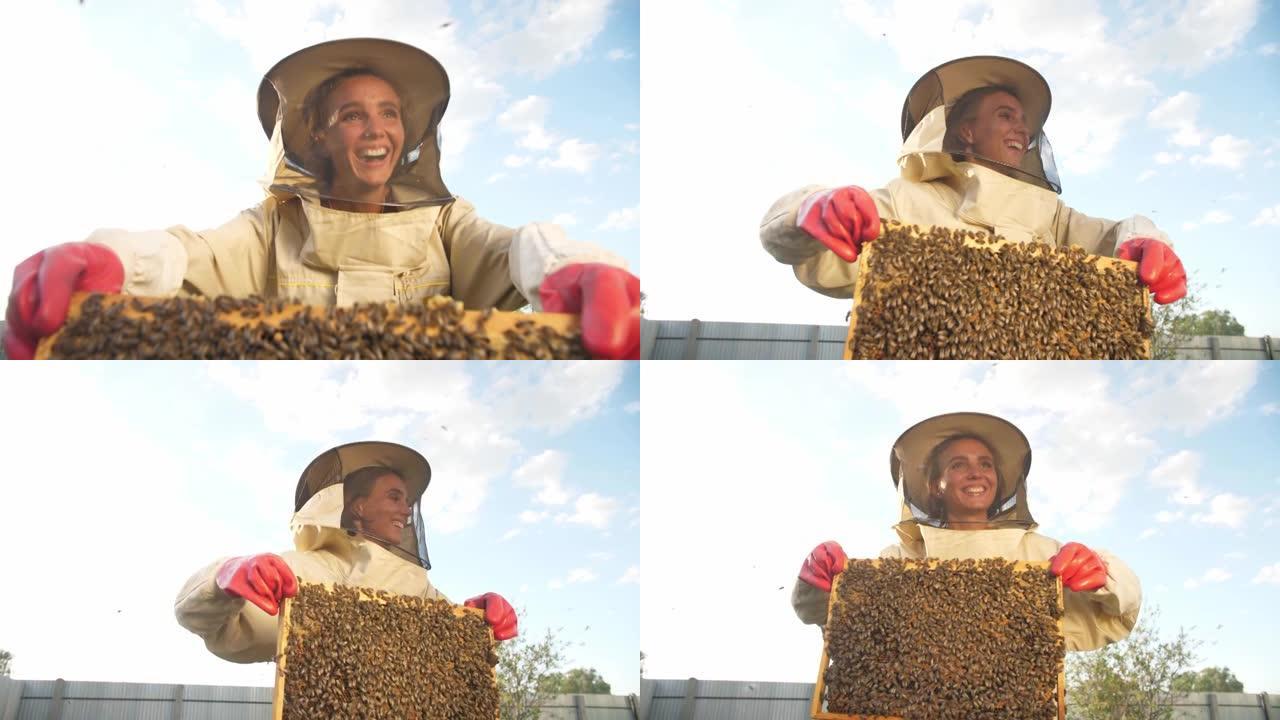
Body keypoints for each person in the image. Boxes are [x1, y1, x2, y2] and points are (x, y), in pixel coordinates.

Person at [5, 38, 640, 360]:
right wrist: (110, 259)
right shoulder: (270, 227)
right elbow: (184, 255)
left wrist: (571, 269)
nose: (377, 130)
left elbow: (514, 250)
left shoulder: (446, 223)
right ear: (316, 133)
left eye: (389, 114)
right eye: (353, 116)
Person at [761, 55, 1186, 308]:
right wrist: (808, 213)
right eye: (1006, 115)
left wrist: (1149, 243)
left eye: (1025, 122)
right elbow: (822, 258)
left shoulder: (1051, 215)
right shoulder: (907, 199)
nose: (1022, 129)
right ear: (965, 130)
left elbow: (1115, 238)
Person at [792, 412, 1140, 651]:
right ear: (935, 485)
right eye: (959, 465)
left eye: (985, 464)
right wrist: (822, 584)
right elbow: (845, 629)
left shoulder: (1039, 553)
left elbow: (1115, 614)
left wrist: (1101, 576)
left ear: (999, 480)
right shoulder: (900, 558)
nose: (976, 473)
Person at [175, 441, 516, 663]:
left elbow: (465, 664)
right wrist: (224, 579)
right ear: (358, 508)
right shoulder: (312, 572)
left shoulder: (421, 589)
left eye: (408, 502)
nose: (406, 510)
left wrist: (482, 621)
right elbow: (221, 628)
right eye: (394, 497)